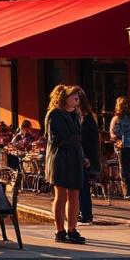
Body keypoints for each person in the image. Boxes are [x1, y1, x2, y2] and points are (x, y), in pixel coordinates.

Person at [44, 85, 86, 244]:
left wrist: (82, 156)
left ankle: (72, 229)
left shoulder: (76, 115)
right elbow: (56, 139)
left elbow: (78, 139)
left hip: (74, 157)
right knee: (61, 194)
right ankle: (60, 230)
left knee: (75, 194)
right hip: (60, 157)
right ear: (65, 98)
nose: (77, 99)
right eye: (74, 96)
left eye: (78, 97)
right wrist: (75, 140)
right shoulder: (54, 114)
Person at [75, 87, 102, 224]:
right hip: (88, 158)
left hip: (86, 159)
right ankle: (84, 213)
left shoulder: (86, 120)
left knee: (83, 188)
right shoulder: (88, 118)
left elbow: (84, 141)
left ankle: (85, 214)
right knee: (82, 187)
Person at [109, 98, 130, 197]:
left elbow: (112, 133)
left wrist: (117, 140)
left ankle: (128, 191)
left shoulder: (117, 119)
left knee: (124, 168)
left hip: (121, 145)